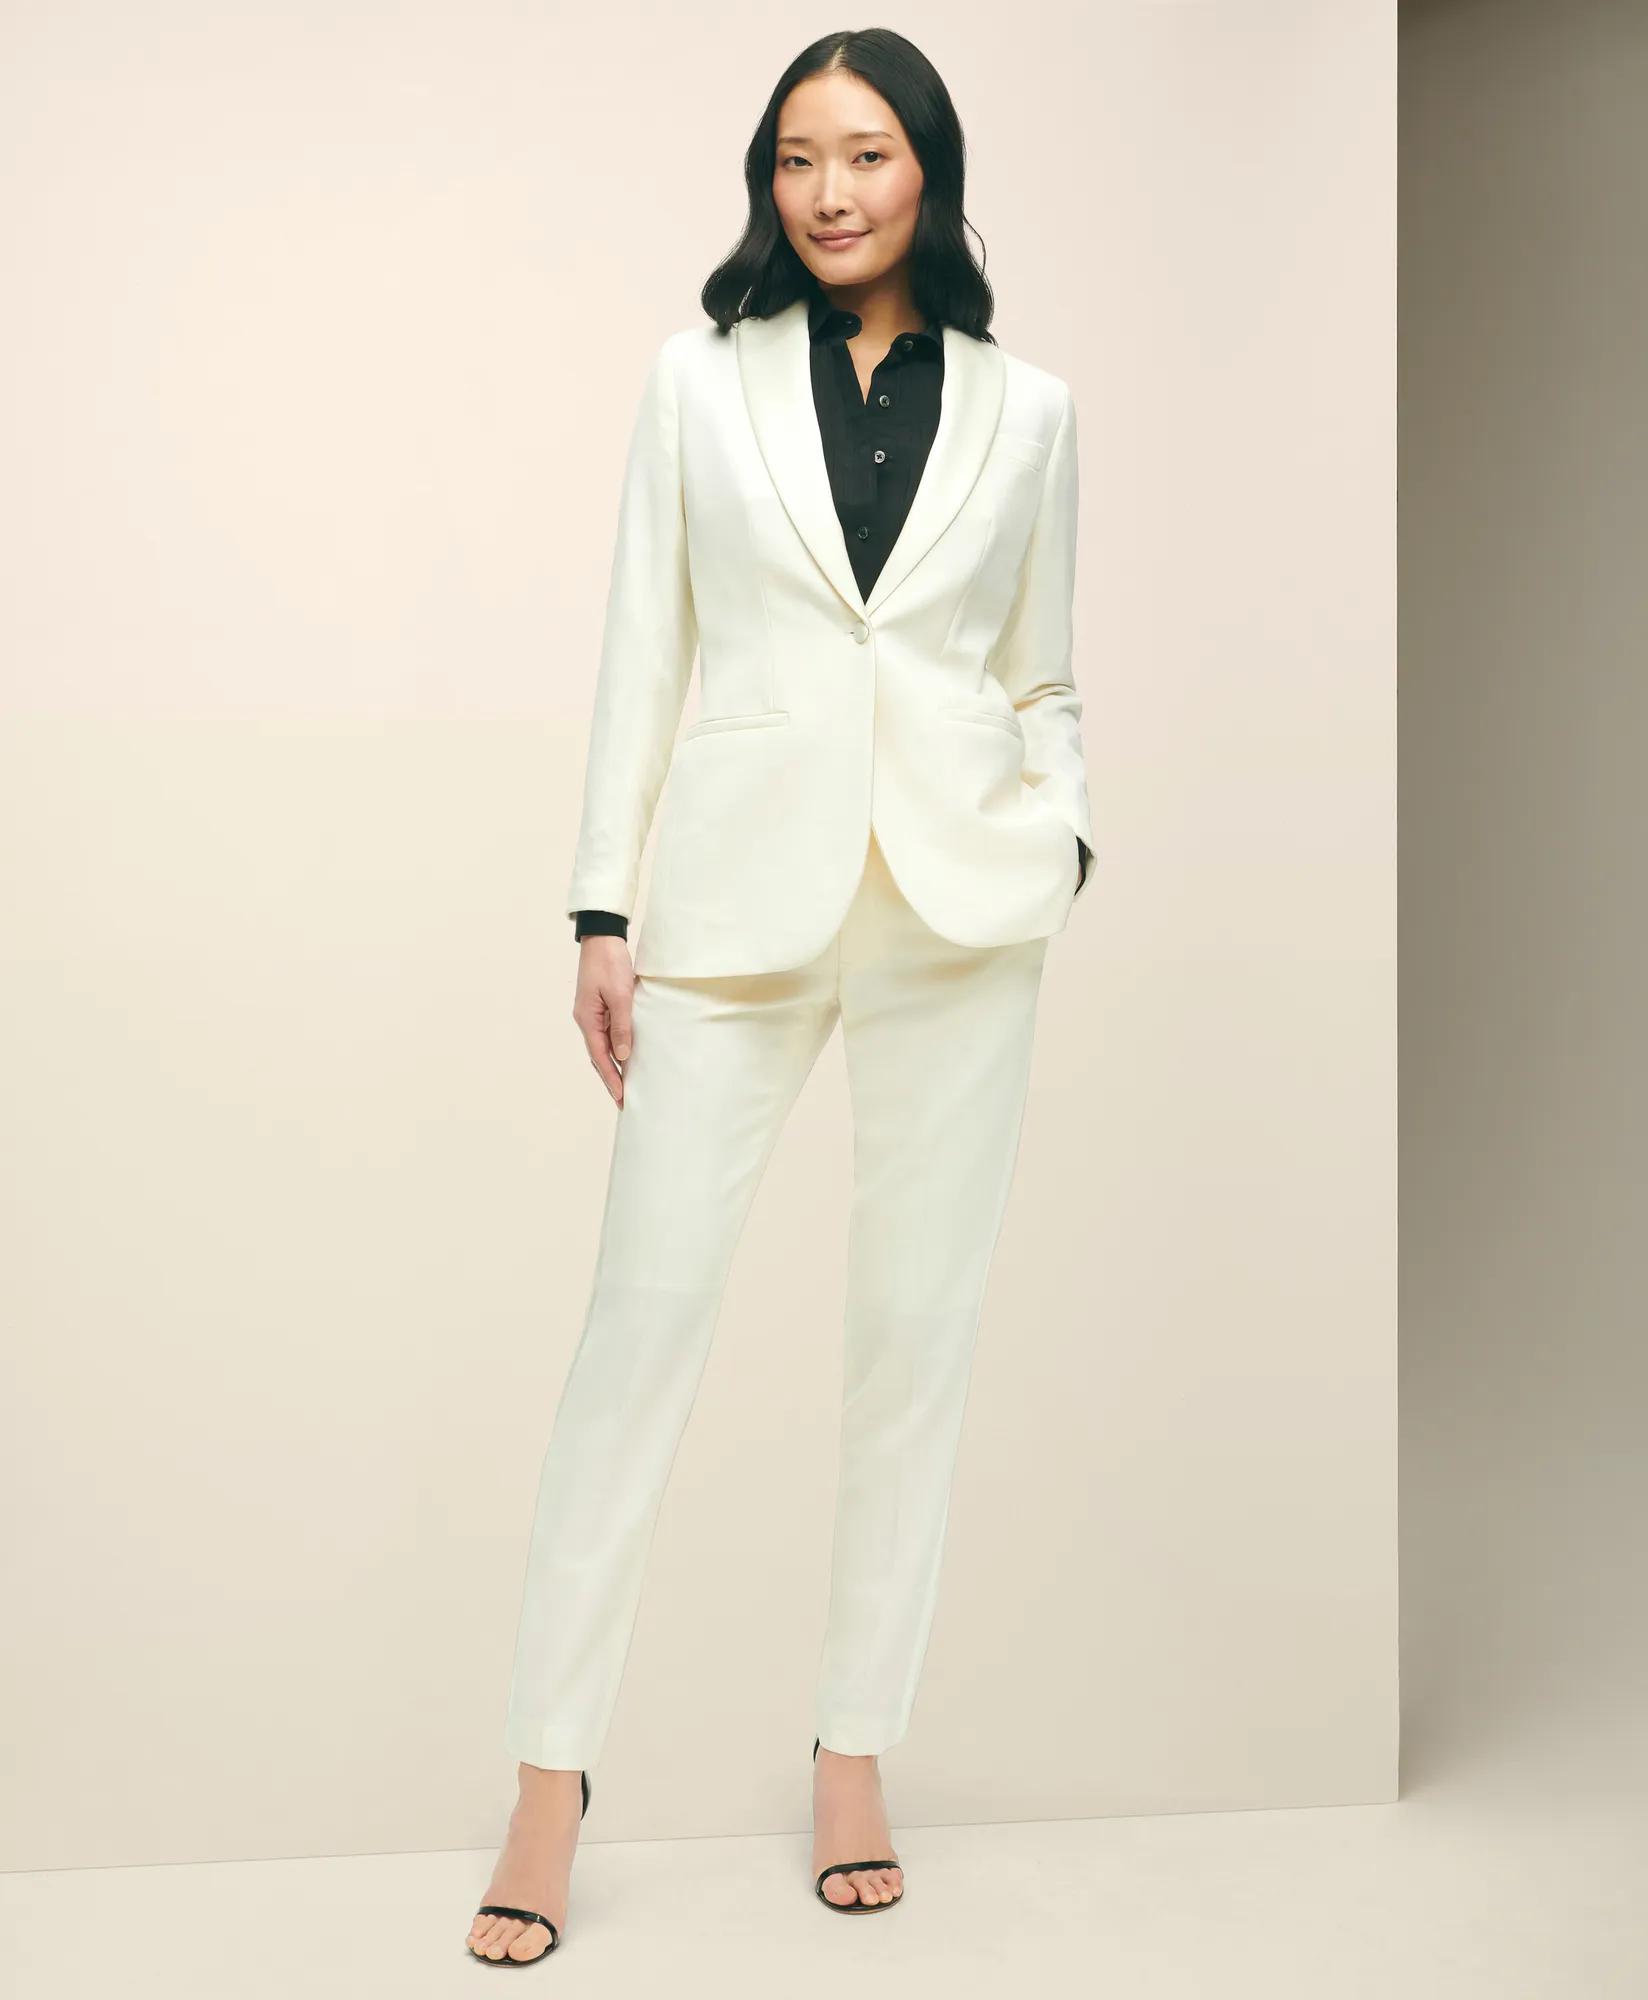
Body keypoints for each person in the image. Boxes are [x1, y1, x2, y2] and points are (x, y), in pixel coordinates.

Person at [466, 25, 1093, 1965]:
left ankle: (852, 1750)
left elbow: (1041, 673)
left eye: (868, 154)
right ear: (768, 178)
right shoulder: (696, 381)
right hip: (732, 907)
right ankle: (549, 1780)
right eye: (799, 157)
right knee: (637, 1328)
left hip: (954, 912)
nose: (830, 191)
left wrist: (1058, 833)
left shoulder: (1031, 412)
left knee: (914, 1337)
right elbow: (638, 642)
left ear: (930, 173)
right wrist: (601, 906)